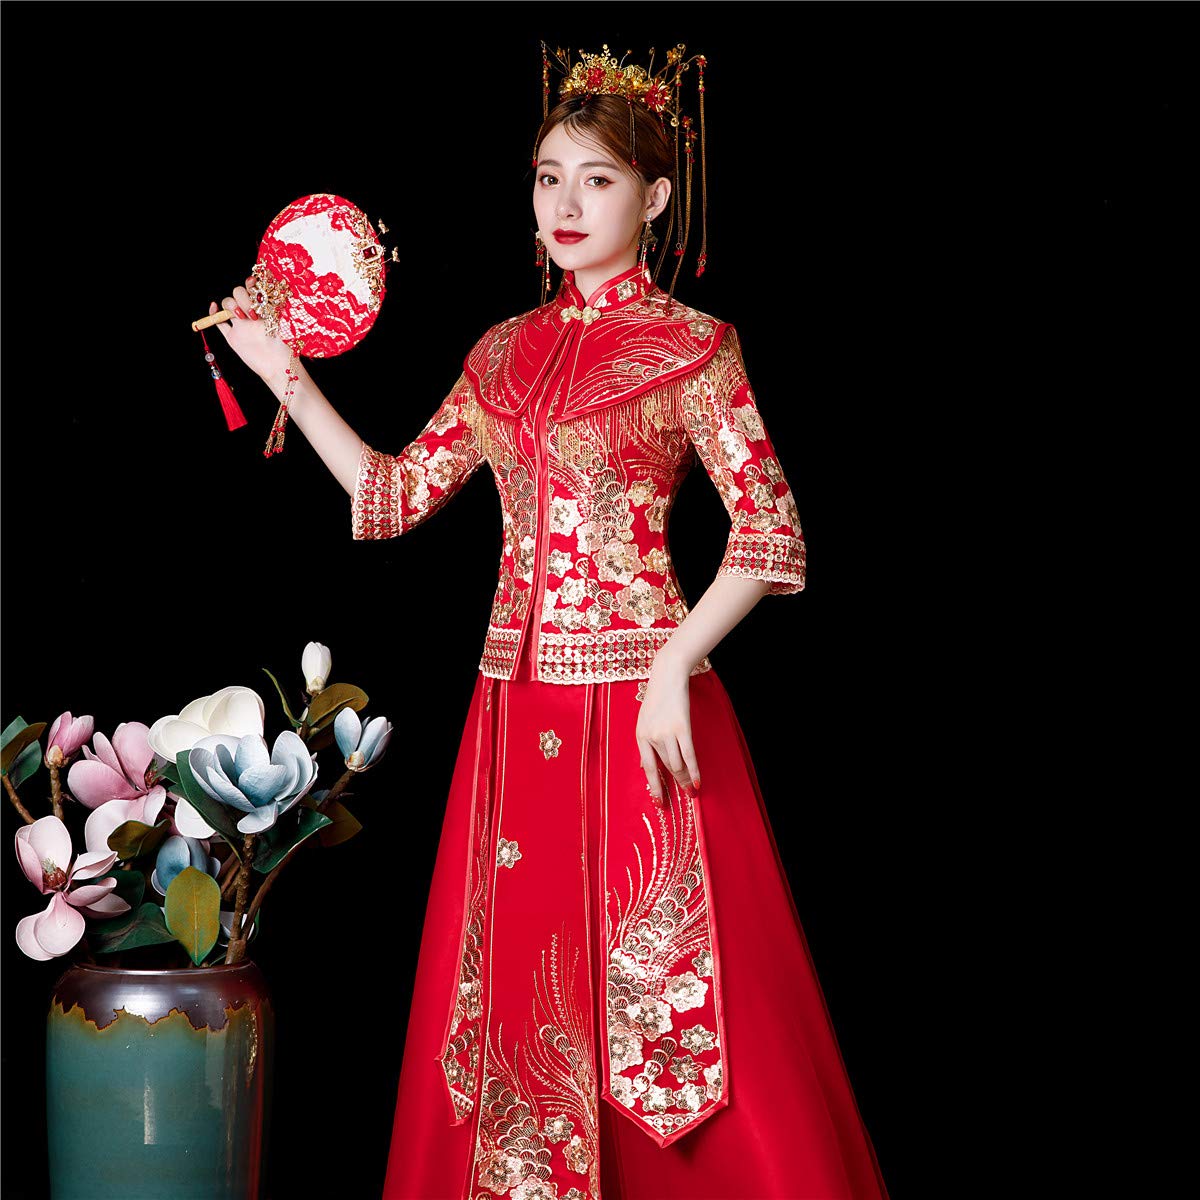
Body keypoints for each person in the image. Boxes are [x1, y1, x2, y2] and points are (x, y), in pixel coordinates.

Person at [212, 46, 889, 1200]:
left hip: (644, 720)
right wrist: (286, 370)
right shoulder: (500, 353)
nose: (565, 204)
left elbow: (772, 529)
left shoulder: (696, 346)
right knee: (517, 1001)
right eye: (547, 178)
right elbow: (391, 497)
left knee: (667, 1000)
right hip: (512, 716)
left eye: (598, 180)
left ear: (656, 197)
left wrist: (676, 663)